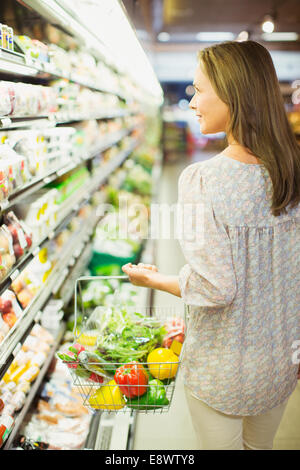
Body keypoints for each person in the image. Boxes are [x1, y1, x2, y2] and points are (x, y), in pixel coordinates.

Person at [122, 40, 300, 450]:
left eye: (199, 90)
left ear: (233, 93)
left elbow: (215, 287)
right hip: (278, 362)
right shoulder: (292, 172)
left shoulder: (204, 180)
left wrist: (157, 281)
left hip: (224, 366)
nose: (192, 103)